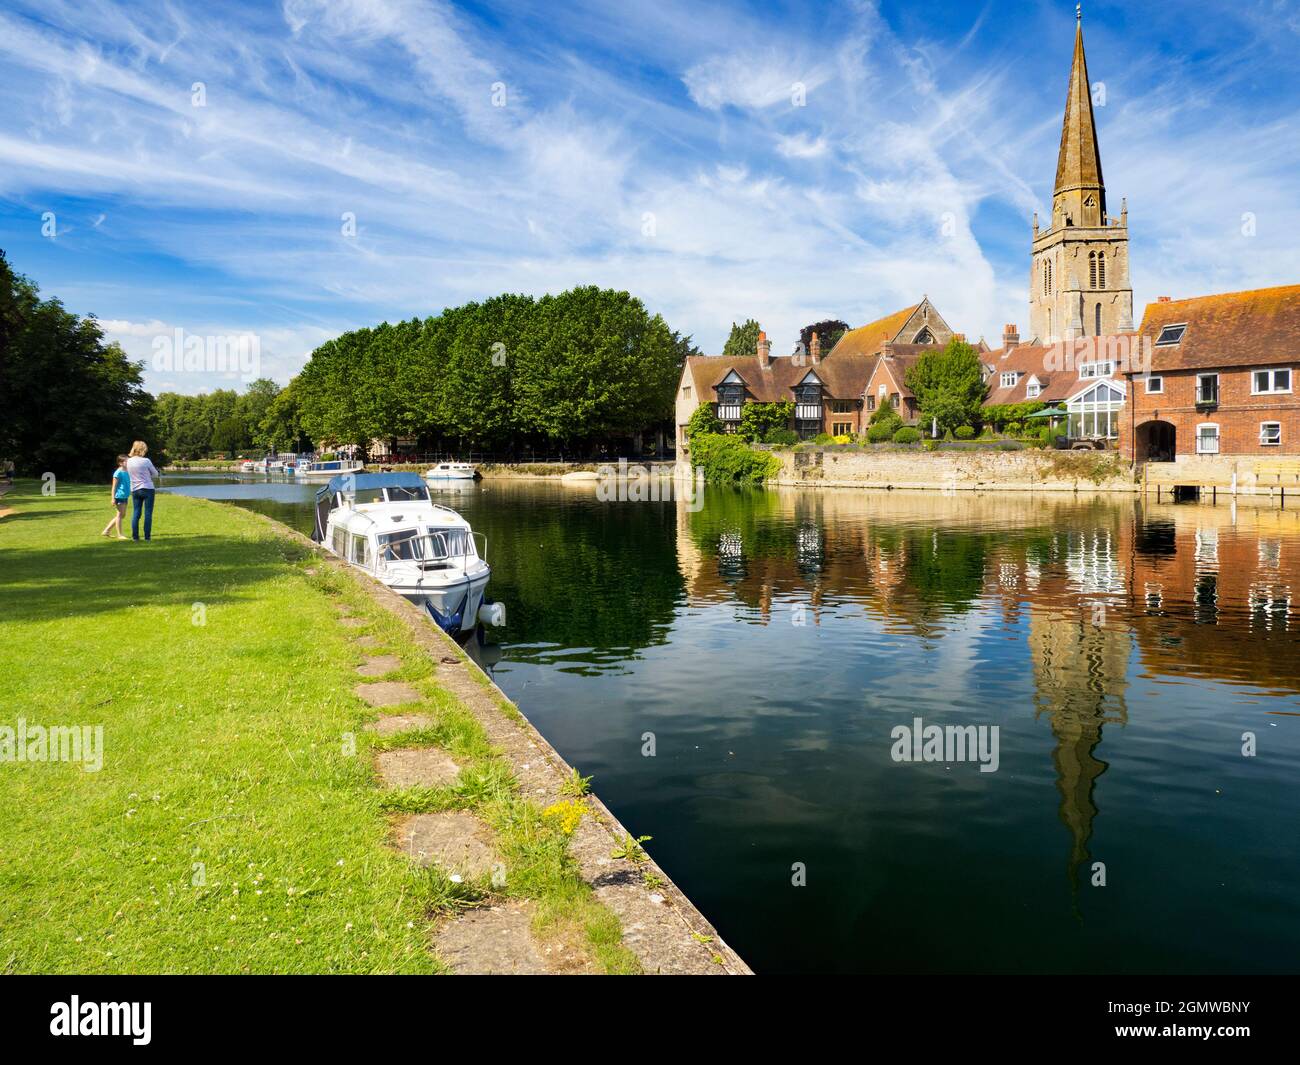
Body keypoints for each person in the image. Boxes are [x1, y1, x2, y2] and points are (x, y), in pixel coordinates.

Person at [125, 441, 161, 542]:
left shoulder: (129, 461)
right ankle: (147, 537)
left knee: (136, 513)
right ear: (142, 450)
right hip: (147, 488)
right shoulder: (146, 461)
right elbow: (155, 474)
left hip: (135, 489)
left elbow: (129, 473)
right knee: (148, 513)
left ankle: (135, 537)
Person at [100, 455, 131, 539]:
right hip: (119, 496)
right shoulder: (118, 473)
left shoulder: (127, 471)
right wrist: (113, 498)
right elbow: (113, 487)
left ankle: (106, 531)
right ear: (120, 463)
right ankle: (120, 535)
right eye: (126, 461)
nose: (128, 463)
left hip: (125, 496)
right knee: (120, 515)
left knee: (122, 515)